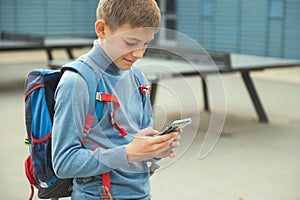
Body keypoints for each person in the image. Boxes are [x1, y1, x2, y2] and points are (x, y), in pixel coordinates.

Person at [52, 0, 181, 199]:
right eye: (130, 42)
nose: (139, 54)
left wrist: (156, 148)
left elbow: (136, 144)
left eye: (145, 43)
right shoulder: (77, 82)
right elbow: (64, 162)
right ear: (102, 29)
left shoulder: (137, 76)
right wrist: (128, 153)